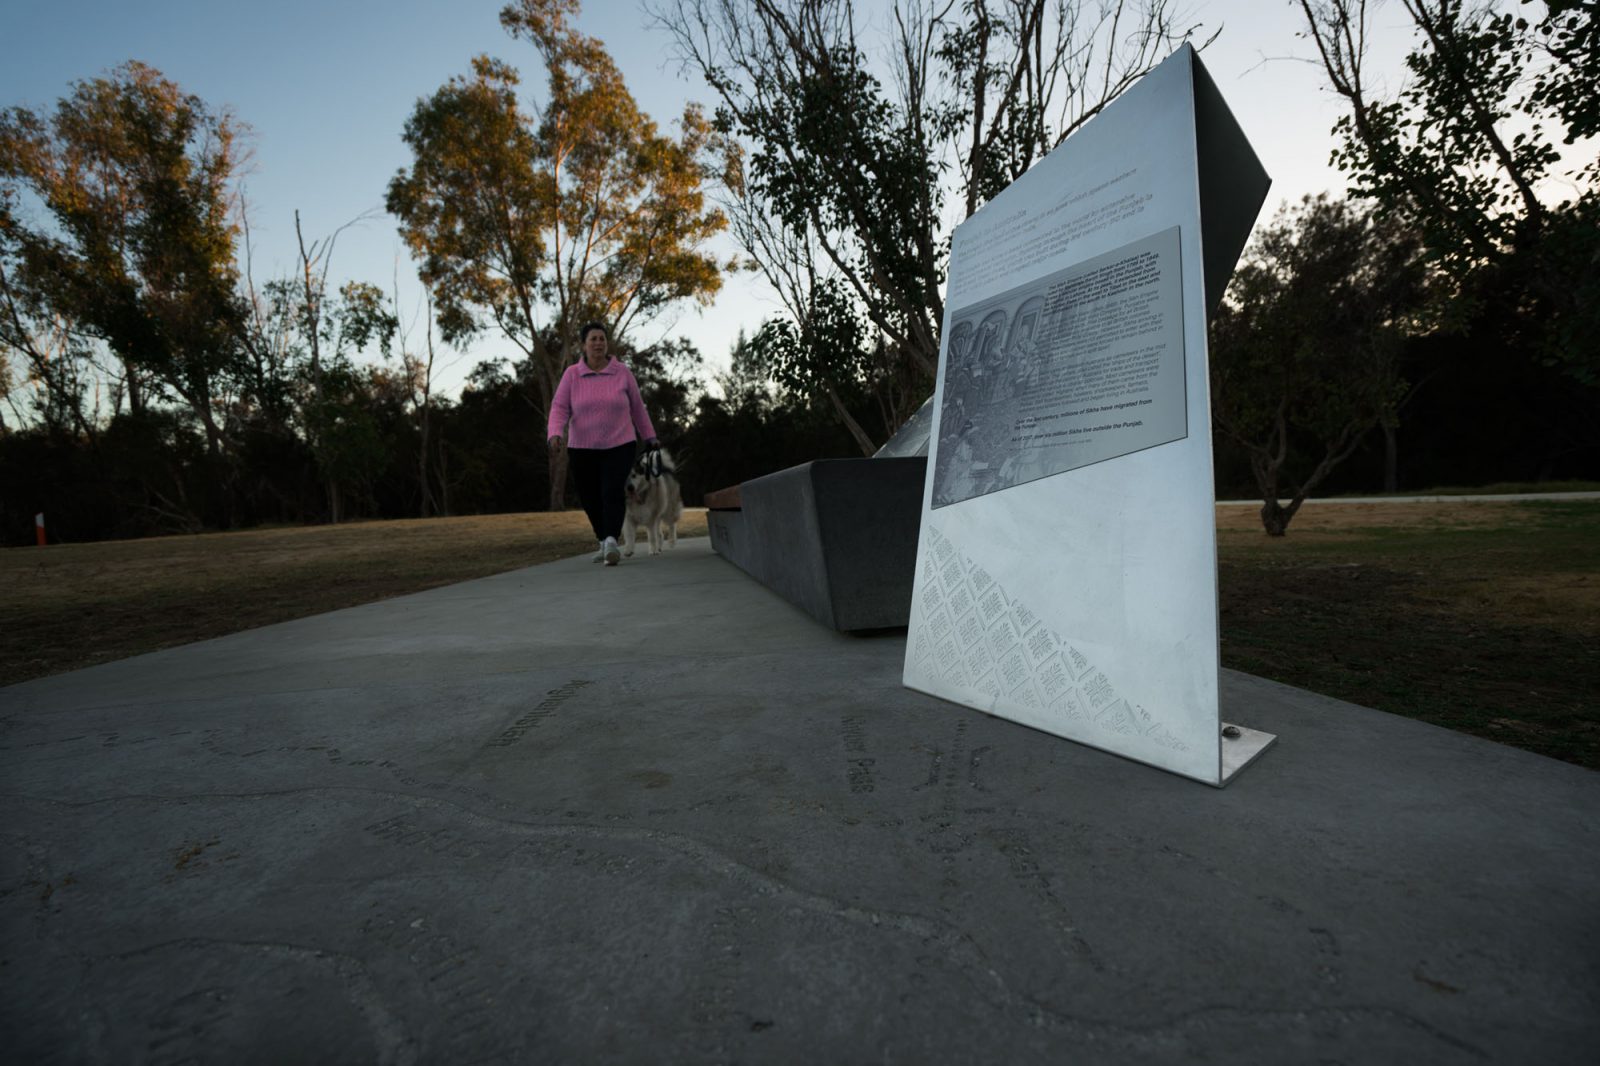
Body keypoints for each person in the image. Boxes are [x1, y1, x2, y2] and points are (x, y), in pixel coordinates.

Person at [547, 322, 659, 566]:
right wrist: (555, 432)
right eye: (593, 339)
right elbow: (559, 407)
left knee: (611, 492)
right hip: (582, 447)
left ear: (607, 344)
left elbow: (638, 408)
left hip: (619, 443)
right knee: (589, 497)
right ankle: (602, 539)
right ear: (584, 345)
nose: (598, 343)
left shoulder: (622, 373)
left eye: (602, 339)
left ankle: (611, 540)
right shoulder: (572, 375)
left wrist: (650, 436)